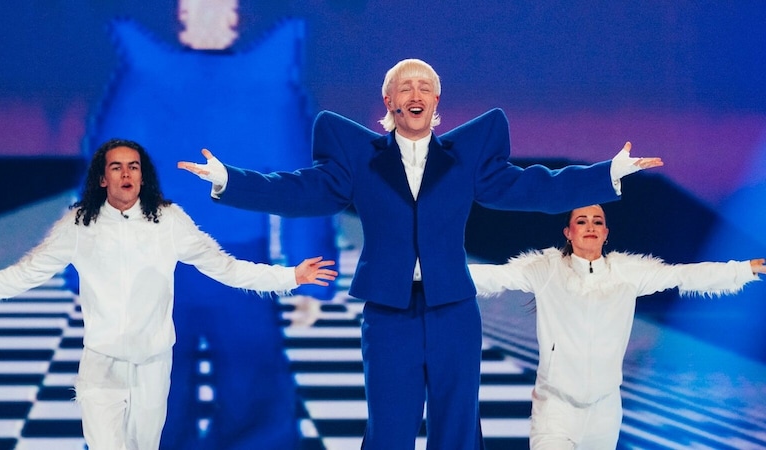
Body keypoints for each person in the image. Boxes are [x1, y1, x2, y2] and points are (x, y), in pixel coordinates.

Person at [177, 58, 662, 449]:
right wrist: (228, 180)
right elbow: (300, 191)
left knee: (457, 428)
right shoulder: (361, 160)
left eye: (425, 87)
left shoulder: (464, 159)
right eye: (404, 87)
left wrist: (606, 174)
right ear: (388, 101)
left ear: (436, 103)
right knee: (389, 427)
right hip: (389, 313)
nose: (415, 93)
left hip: (452, 307)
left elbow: (532, 186)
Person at [0, 138, 338, 450]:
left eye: (133, 166)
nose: (126, 174)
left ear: (143, 177)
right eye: (116, 167)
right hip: (101, 366)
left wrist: (290, 276)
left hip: (153, 366)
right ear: (101, 178)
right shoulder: (78, 225)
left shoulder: (169, 220)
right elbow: (23, 275)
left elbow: (225, 268)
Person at [468, 204, 765, 449]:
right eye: (581, 221)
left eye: (597, 222)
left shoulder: (627, 273)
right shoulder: (546, 269)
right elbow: (496, 276)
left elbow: (681, 276)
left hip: (605, 412)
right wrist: (424, 272)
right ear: (568, 232)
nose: (590, 227)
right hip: (555, 410)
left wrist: (742, 269)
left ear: (606, 233)